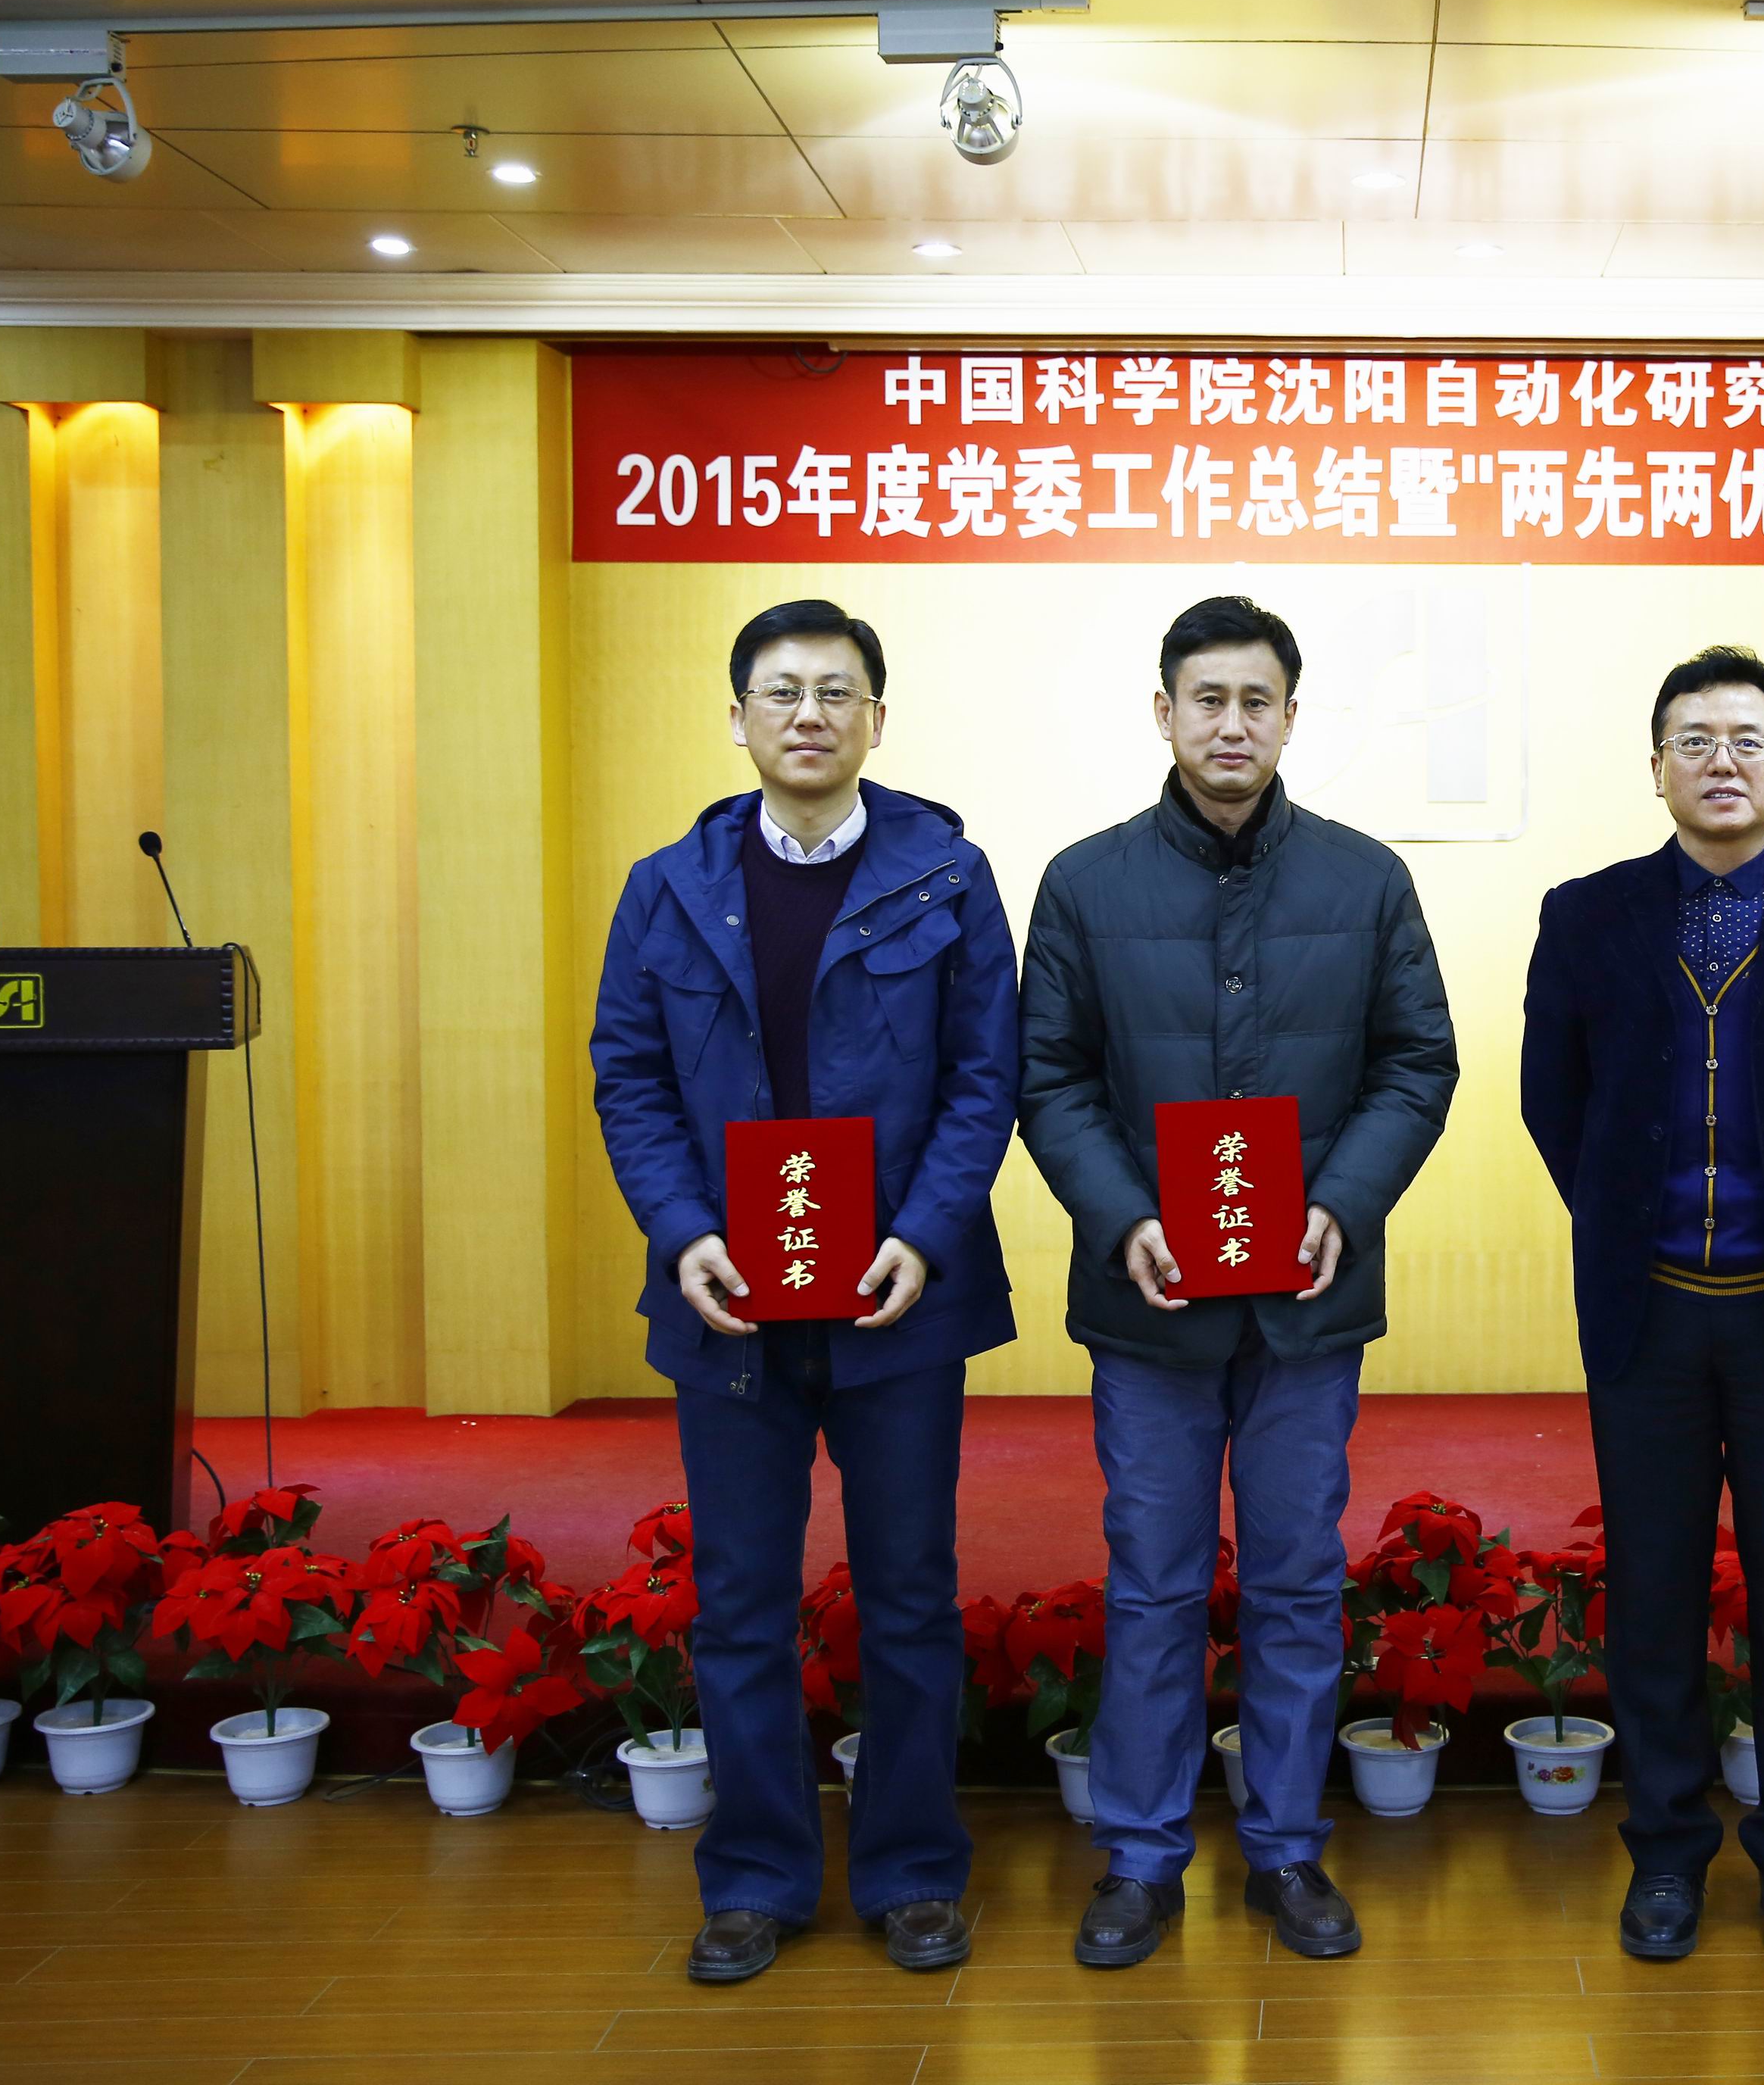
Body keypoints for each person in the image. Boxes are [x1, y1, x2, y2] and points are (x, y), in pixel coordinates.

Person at [1019, 594, 1457, 1970]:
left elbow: (1417, 1063)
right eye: (1206, 699)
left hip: (1306, 1304)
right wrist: (1122, 1217)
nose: (1231, 725)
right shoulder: (1086, 883)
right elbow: (1050, 1077)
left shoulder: (1363, 880)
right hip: (1149, 1303)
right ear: (1164, 712)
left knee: (1295, 1581)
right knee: (1152, 1584)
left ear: (1290, 717)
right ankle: (1141, 1857)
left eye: (1256, 701)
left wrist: (1341, 1203)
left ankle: (1285, 1848)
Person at [590, 598, 1022, 1986]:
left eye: (838, 692)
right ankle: (756, 1878)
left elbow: (985, 1078)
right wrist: (680, 1233)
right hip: (727, 1297)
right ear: (737, 719)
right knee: (738, 1601)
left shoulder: (947, 878)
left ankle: (912, 1870)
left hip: (899, 1296)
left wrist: (928, 1234)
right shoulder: (666, 888)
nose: (809, 715)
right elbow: (628, 1078)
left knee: (909, 1593)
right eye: (781, 691)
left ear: (877, 720)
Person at [1519, 646, 1764, 1971]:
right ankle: (1667, 1853)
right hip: (1645, 1315)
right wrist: (1623, 1215)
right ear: (1657, 768)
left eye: (1749, 740)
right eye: (1694, 740)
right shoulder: (1586, 915)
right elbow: (1552, 1100)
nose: (1722, 761)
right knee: (1653, 1592)